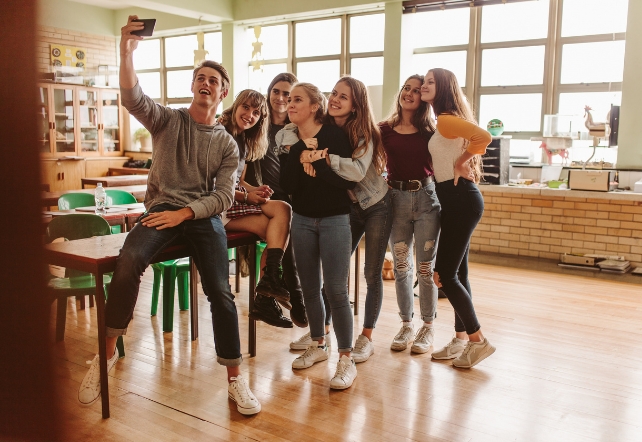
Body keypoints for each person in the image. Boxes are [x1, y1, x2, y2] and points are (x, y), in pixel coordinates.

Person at [76, 16, 261, 416]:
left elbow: (224, 197)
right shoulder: (167, 120)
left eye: (213, 79)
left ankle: (234, 378)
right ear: (192, 85)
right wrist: (126, 52)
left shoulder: (228, 145)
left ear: (223, 91)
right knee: (128, 263)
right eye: (200, 77)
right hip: (160, 211)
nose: (205, 83)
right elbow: (132, 96)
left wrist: (186, 214)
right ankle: (104, 358)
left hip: (201, 216)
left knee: (219, 290)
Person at [297, 76, 390, 363]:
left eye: (343, 97)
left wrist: (323, 159)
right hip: (347, 208)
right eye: (334, 93)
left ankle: (366, 336)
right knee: (332, 277)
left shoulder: (365, 133)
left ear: (356, 105)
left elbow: (357, 172)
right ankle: (321, 332)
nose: (335, 99)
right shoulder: (323, 128)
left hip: (375, 204)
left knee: (371, 272)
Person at [280, 83, 358, 390]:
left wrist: (317, 164)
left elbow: (343, 181)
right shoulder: (292, 139)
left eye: (297, 99)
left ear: (315, 106)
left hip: (335, 220)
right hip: (301, 220)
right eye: (289, 99)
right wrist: (304, 153)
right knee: (309, 288)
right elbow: (288, 184)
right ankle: (318, 344)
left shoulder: (334, 135)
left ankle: (347, 359)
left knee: (337, 291)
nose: (290, 103)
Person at [421, 67, 495, 368]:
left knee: (444, 275)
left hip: (461, 198)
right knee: (459, 274)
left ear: (443, 88)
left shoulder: (448, 119)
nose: (424, 86)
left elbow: (484, 135)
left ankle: (478, 341)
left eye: (429, 82)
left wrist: (463, 161)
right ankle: (461, 338)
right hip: (456, 199)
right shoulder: (443, 121)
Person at [217, 89, 294, 329]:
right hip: (216, 206)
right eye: (246, 107)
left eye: (256, 112)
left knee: (277, 231)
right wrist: (247, 197)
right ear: (236, 105)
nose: (250, 115)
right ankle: (269, 287)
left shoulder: (243, 138)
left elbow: (236, 180)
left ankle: (265, 295)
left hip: (231, 203)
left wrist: (255, 190)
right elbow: (216, 185)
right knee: (282, 210)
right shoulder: (221, 133)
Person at [380, 75, 441, 355]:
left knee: (426, 270)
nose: (410, 94)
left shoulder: (432, 131)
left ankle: (427, 327)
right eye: (406, 88)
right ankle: (406, 324)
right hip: (397, 201)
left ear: (424, 98)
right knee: (402, 267)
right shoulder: (384, 129)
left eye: (417, 91)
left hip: (428, 200)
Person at [242, 73, 308, 330]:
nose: (281, 98)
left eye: (288, 94)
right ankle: (296, 295)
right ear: (269, 94)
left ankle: (278, 295)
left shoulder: (297, 128)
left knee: (299, 231)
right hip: (265, 196)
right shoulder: (257, 123)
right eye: (277, 92)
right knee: (287, 226)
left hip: (292, 196)